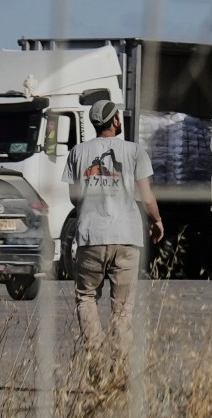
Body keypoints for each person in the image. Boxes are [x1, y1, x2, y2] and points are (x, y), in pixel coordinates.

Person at [67, 99, 162, 353]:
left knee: (86, 298)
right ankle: (120, 369)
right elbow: (147, 197)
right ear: (115, 121)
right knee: (122, 310)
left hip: (90, 236)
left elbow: (73, 198)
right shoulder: (134, 151)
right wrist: (157, 220)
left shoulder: (77, 152)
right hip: (126, 237)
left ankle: (96, 356)